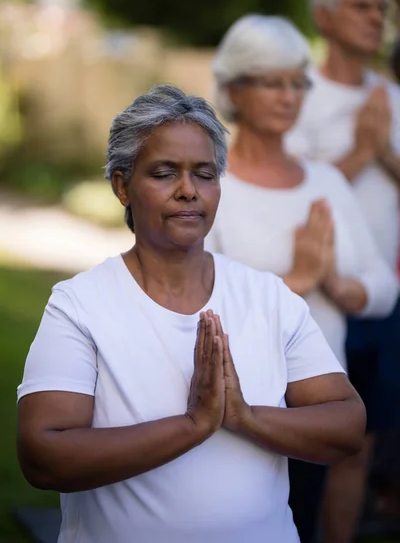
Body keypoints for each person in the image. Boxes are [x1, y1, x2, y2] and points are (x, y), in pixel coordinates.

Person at [17, 85, 366, 543]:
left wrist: (243, 416)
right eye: (164, 173)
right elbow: (44, 455)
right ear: (122, 186)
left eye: (204, 174)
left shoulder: (268, 298)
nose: (188, 191)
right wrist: (192, 425)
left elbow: (346, 424)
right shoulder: (80, 305)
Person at [207, 15, 398, 543]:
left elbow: (383, 287)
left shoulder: (326, 182)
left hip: (314, 402)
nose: (288, 95)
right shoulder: (209, 188)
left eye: (297, 82)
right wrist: (296, 279)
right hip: (234, 403)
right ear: (233, 89)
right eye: (271, 81)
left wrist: (337, 284)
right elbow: (194, 304)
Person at [285, 0, 400, 543]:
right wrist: (361, 151)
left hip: (381, 304)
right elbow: (286, 191)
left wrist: (385, 154)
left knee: (359, 444)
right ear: (323, 17)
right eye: (361, 6)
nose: (376, 17)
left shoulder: (394, 98)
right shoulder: (290, 95)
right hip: (309, 300)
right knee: (302, 445)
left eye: (380, 7)